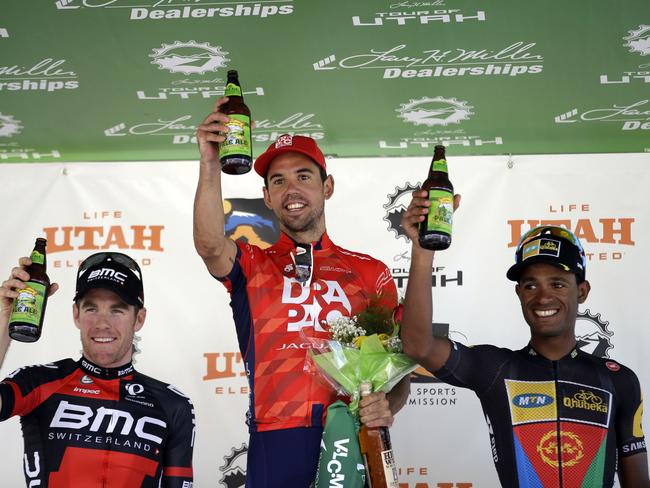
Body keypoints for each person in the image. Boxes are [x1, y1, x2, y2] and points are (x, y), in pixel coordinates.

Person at [193, 98, 410, 487]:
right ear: (267, 196)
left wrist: (384, 406)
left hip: (353, 431)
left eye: (303, 176)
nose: (292, 188)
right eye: (279, 181)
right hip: (277, 434)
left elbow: (397, 374)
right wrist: (211, 163)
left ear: (327, 186)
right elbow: (211, 246)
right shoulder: (252, 264)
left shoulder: (370, 271)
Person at [399, 191, 649, 488]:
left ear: (582, 291)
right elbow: (418, 345)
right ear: (519, 293)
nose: (543, 296)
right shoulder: (495, 368)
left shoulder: (618, 380)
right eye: (530, 285)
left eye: (557, 284)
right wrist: (423, 249)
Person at [0, 252, 195, 487]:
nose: (102, 323)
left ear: (139, 319)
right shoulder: (39, 382)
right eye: (92, 309)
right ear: (76, 315)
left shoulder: (173, 404)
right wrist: (4, 317)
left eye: (117, 310)